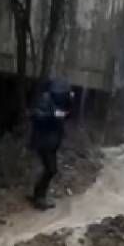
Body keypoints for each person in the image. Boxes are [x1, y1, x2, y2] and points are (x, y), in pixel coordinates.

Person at [29, 78, 74, 210]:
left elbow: (69, 114)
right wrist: (53, 115)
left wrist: (71, 101)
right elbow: (36, 115)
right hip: (43, 141)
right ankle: (39, 197)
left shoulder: (60, 101)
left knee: (50, 169)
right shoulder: (46, 99)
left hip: (51, 141)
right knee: (51, 169)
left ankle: (38, 194)